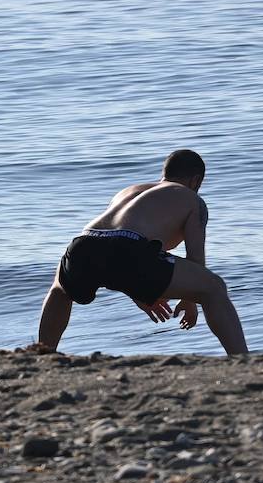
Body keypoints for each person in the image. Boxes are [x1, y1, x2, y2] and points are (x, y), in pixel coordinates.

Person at [35, 149, 248, 355]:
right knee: (214, 287)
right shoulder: (192, 199)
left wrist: (140, 293)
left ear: (164, 174)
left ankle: (44, 353)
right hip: (128, 249)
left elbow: (112, 251)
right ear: (196, 181)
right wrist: (190, 300)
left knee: (60, 291)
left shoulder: (128, 191)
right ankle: (241, 359)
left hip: (83, 242)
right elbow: (194, 259)